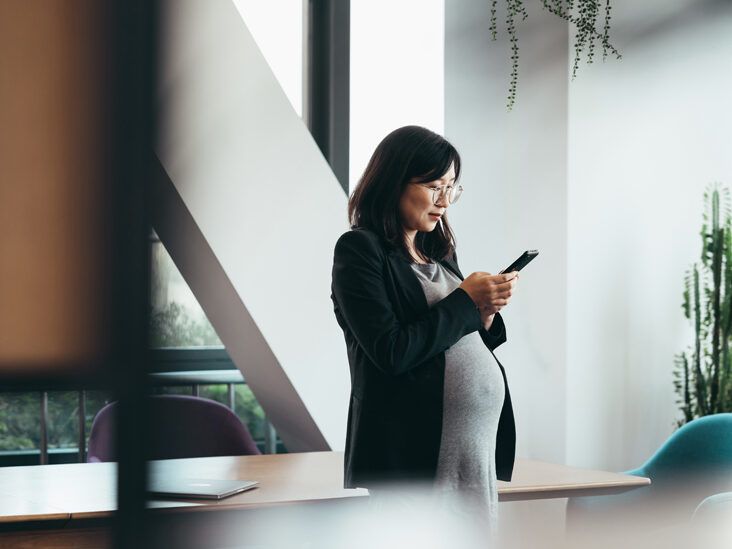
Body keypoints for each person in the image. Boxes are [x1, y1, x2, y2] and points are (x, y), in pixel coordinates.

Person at [330, 125, 519, 530]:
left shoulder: (439, 253)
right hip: (414, 460)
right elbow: (392, 351)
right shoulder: (359, 251)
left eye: (452, 187)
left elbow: (453, 336)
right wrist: (466, 301)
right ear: (394, 181)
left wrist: (484, 314)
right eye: (434, 185)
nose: (445, 201)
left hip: (474, 458)